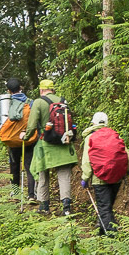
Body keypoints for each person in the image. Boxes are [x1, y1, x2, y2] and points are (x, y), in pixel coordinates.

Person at [25, 78, 79, 215]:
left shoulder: (38, 102)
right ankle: (66, 207)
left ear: (41, 90)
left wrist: (25, 136)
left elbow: (32, 125)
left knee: (43, 173)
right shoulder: (63, 101)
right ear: (53, 89)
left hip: (46, 143)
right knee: (64, 174)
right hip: (64, 142)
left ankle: (44, 205)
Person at [81, 111, 129, 236]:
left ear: (93, 123)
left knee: (104, 207)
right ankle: (102, 232)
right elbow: (127, 155)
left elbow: (87, 160)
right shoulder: (115, 135)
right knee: (108, 206)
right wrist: (126, 171)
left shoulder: (90, 138)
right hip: (117, 177)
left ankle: (111, 236)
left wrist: (85, 178)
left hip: (99, 178)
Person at [0, 79, 33, 191]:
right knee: (29, 166)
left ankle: (15, 191)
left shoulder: (7, 103)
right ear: (20, 87)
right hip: (28, 139)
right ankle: (32, 193)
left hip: (12, 140)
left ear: (9, 91)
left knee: (14, 166)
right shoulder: (30, 102)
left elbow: (3, 123)